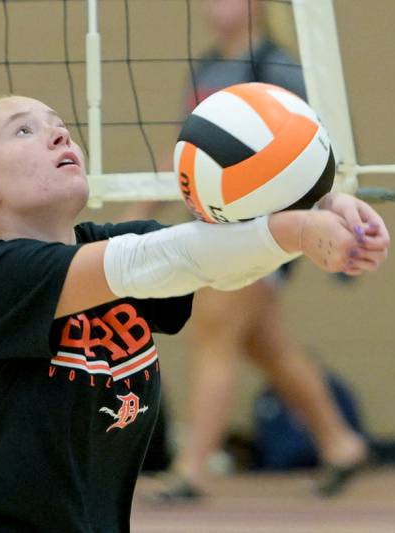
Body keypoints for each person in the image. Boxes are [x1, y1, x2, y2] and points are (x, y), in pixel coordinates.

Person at [0, 93, 389, 532]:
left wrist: (325, 206)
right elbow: (164, 258)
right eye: (24, 130)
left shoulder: (105, 244)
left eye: (59, 126)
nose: (59, 136)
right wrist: (301, 230)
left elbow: (218, 258)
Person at [123, 0, 372, 499]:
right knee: (267, 347)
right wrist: (135, 213)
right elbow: (188, 150)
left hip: (265, 232)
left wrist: (329, 221)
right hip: (213, 228)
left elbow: (315, 150)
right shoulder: (208, 65)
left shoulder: (277, 67)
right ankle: (341, 443)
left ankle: (191, 469)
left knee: (213, 335)